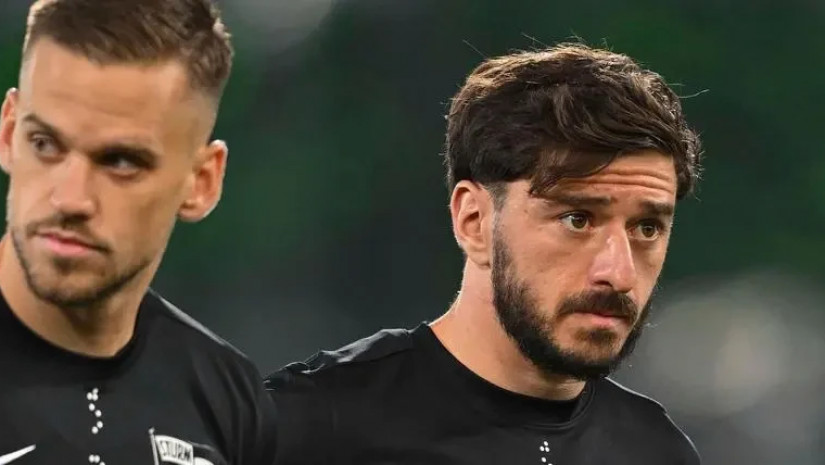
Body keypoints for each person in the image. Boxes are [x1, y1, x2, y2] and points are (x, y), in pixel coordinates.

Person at [266, 43, 703, 464]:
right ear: (473, 221)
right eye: (577, 219)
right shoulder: (304, 428)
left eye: (647, 228)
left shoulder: (658, 451)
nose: (619, 273)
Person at [0, 1, 276, 464]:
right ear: (9, 133)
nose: (70, 198)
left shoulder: (227, 398)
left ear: (201, 182)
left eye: (121, 162)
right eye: (45, 144)